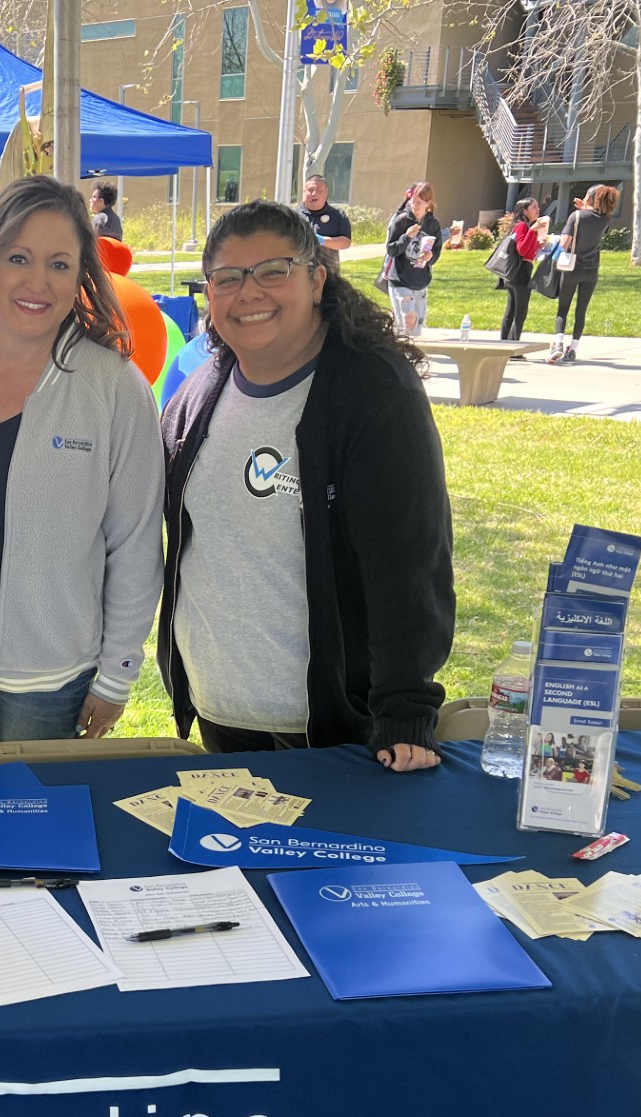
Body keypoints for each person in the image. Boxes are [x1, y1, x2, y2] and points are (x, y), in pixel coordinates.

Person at [157, 199, 454, 766]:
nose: (249, 292)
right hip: (220, 713)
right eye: (228, 278)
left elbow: (410, 564)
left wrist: (406, 709)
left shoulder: (373, 394)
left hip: (332, 728)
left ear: (316, 279)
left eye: (274, 271)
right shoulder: (198, 395)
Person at [0, 175, 162, 766]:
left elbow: (135, 541)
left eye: (59, 264)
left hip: (54, 676)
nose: (37, 282)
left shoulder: (114, 387)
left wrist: (117, 673)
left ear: (81, 276)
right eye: (18, 257)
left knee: (43, 822)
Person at [549, 183, 618, 364]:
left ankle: (557, 344)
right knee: (581, 311)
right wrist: (586, 208)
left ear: (591, 198)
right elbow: (593, 220)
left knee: (563, 309)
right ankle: (573, 348)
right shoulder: (606, 218)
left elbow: (565, 243)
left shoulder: (576, 216)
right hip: (591, 270)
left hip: (572, 268)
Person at [383, 182, 440, 340]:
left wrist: (430, 257)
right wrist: (406, 236)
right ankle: (400, 346)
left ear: (428, 203)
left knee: (414, 330)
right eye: (412, 201)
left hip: (420, 280)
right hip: (400, 279)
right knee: (408, 319)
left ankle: (404, 347)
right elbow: (391, 249)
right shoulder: (401, 221)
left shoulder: (432, 224)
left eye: (419, 202)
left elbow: (436, 251)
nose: (415, 206)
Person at [497, 196, 546, 344]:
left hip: (519, 271)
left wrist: (538, 244)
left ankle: (505, 344)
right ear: (524, 211)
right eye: (534, 207)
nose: (538, 210)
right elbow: (522, 250)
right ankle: (513, 348)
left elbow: (526, 248)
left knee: (512, 310)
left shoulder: (525, 227)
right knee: (520, 312)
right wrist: (533, 230)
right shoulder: (522, 226)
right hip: (520, 272)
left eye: (537, 206)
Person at [296, 175, 353, 253]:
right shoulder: (292, 216)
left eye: (319, 190)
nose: (314, 194)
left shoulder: (338, 215)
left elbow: (346, 242)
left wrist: (322, 240)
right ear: (304, 191)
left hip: (327, 261)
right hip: (299, 260)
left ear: (326, 192)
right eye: (310, 190)